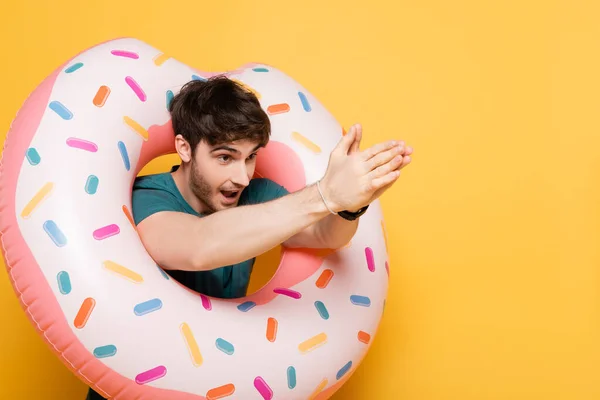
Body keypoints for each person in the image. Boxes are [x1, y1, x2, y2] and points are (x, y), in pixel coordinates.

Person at [86, 76, 413, 399]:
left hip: (216, 381)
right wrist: (323, 195)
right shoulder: (147, 195)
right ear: (184, 148)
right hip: (141, 381)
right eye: (225, 157)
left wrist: (348, 207)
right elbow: (198, 245)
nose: (242, 177)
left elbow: (325, 235)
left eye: (251, 156)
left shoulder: (258, 194)